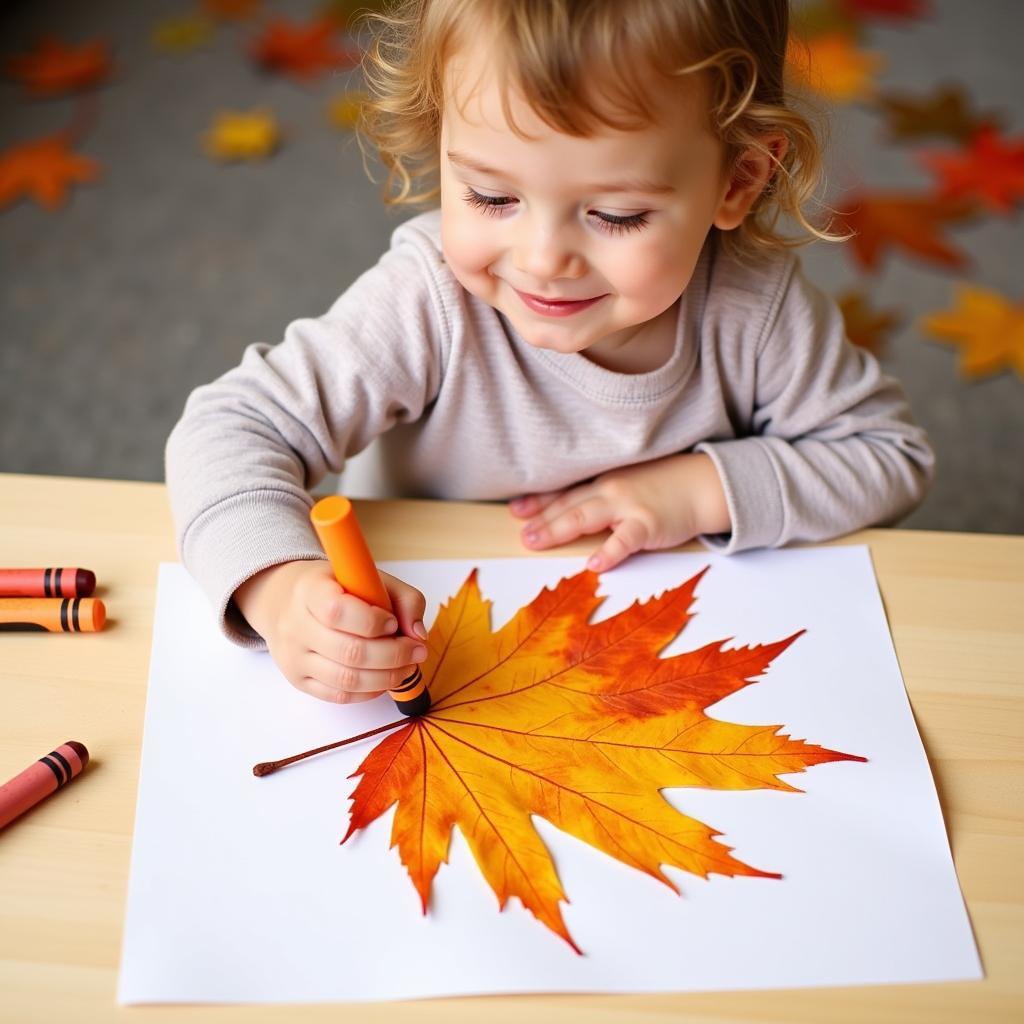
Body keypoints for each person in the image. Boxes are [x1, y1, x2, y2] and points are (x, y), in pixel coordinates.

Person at [166, 0, 934, 706]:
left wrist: (698, 491)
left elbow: (887, 457)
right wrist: (275, 587)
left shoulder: (756, 310)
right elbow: (230, 427)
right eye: (492, 197)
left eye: (615, 213)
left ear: (738, 179)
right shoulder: (431, 302)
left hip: (649, 650)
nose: (540, 258)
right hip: (441, 641)